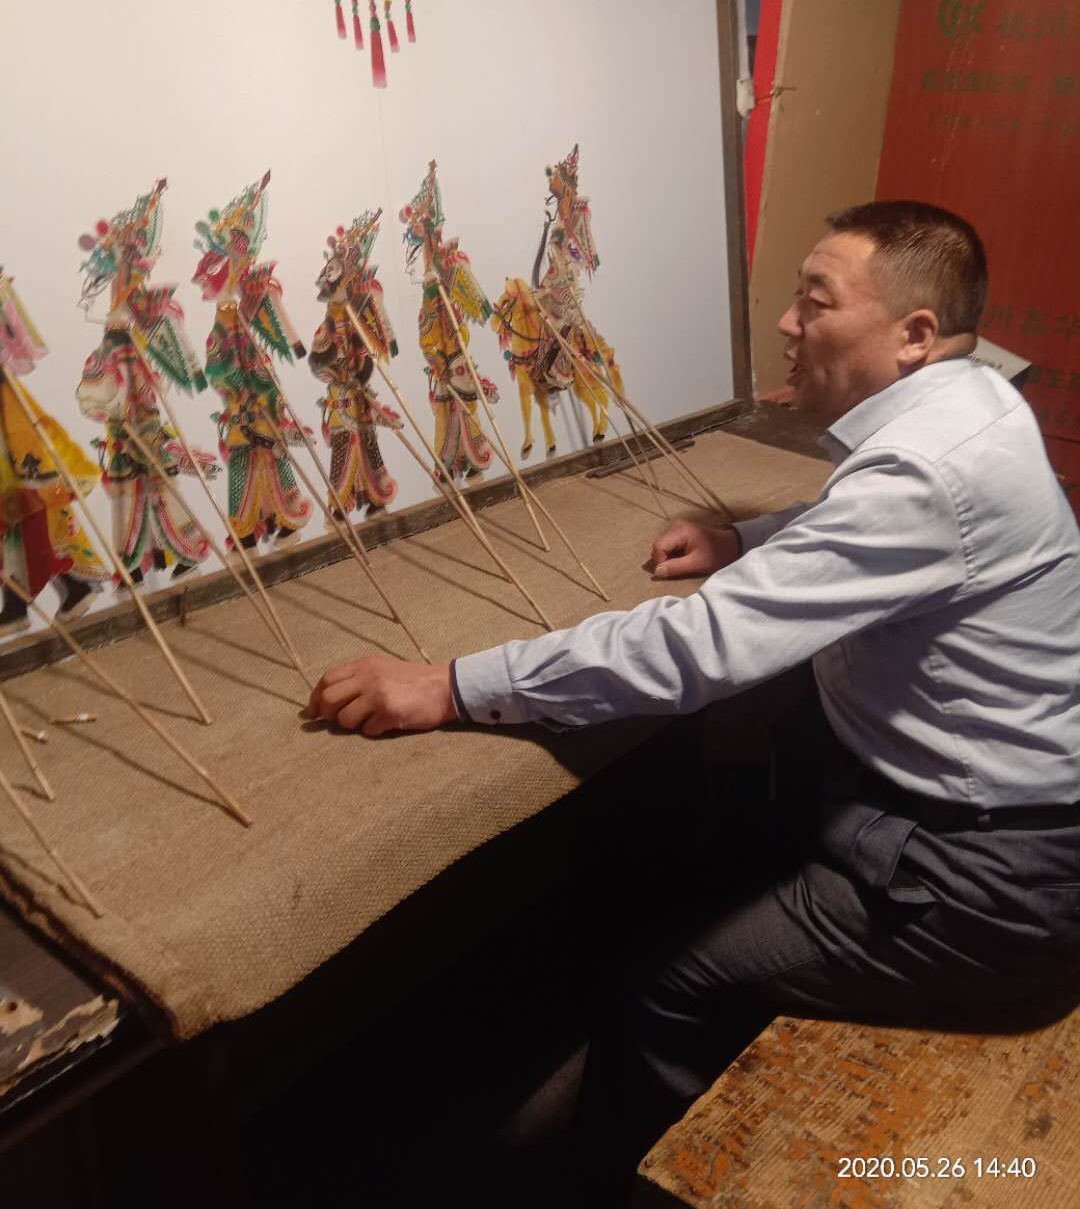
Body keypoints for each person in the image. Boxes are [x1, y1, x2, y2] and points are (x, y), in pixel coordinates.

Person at [307, 201, 1080, 1200]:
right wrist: (748, 540)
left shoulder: (928, 470)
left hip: (989, 885)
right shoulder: (974, 399)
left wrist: (451, 684)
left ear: (914, 335)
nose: (788, 324)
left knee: (662, 986)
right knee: (711, 815)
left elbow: (692, 651)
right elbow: (863, 514)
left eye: (817, 302)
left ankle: (620, 1183)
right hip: (988, 824)